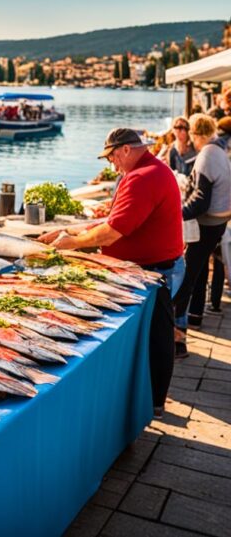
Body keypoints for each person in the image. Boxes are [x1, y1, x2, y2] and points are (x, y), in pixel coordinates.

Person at [38, 128, 184, 417]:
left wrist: (73, 243)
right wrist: (72, 229)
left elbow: (112, 232)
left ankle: (153, 400)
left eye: (112, 157)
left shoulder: (142, 178)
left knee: (156, 334)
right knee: (157, 332)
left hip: (150, 271)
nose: (112, 165)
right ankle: (152, 398)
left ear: (126, 149)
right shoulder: (149, 171)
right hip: (153, 267)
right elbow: (116, 219)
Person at [174, 114, 231, 338]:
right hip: (220, 221)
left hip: (208, 223)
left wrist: (176, 214)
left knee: (186, 276)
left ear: (197, 135)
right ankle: (195, 316)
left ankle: (178, 333)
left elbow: (200, 201)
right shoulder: (220, 150)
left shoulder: (206, 155)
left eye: (193, 136)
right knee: (198, 271)